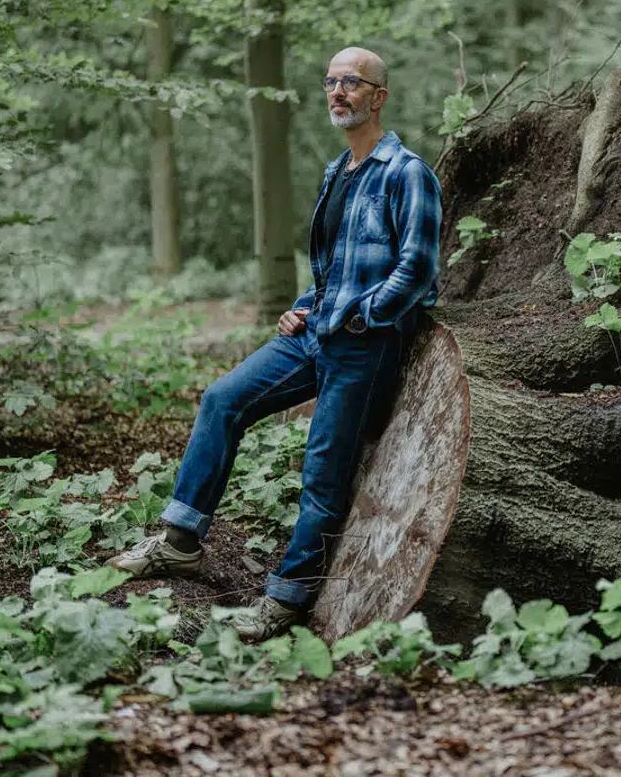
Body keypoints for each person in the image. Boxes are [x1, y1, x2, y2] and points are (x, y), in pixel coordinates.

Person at [106, 47, 442, 643]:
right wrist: (308, 306)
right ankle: (181, 541)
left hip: (364, 346)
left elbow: (417, 270)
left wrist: (363, 317)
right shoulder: (337, 172)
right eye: (331, 82)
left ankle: (286, 599)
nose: (338, 92)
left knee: (323, 469)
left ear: (378, 96)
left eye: (352, 83)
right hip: (315, 333)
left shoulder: (406, 172)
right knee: (222, 399)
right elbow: (331, 265)